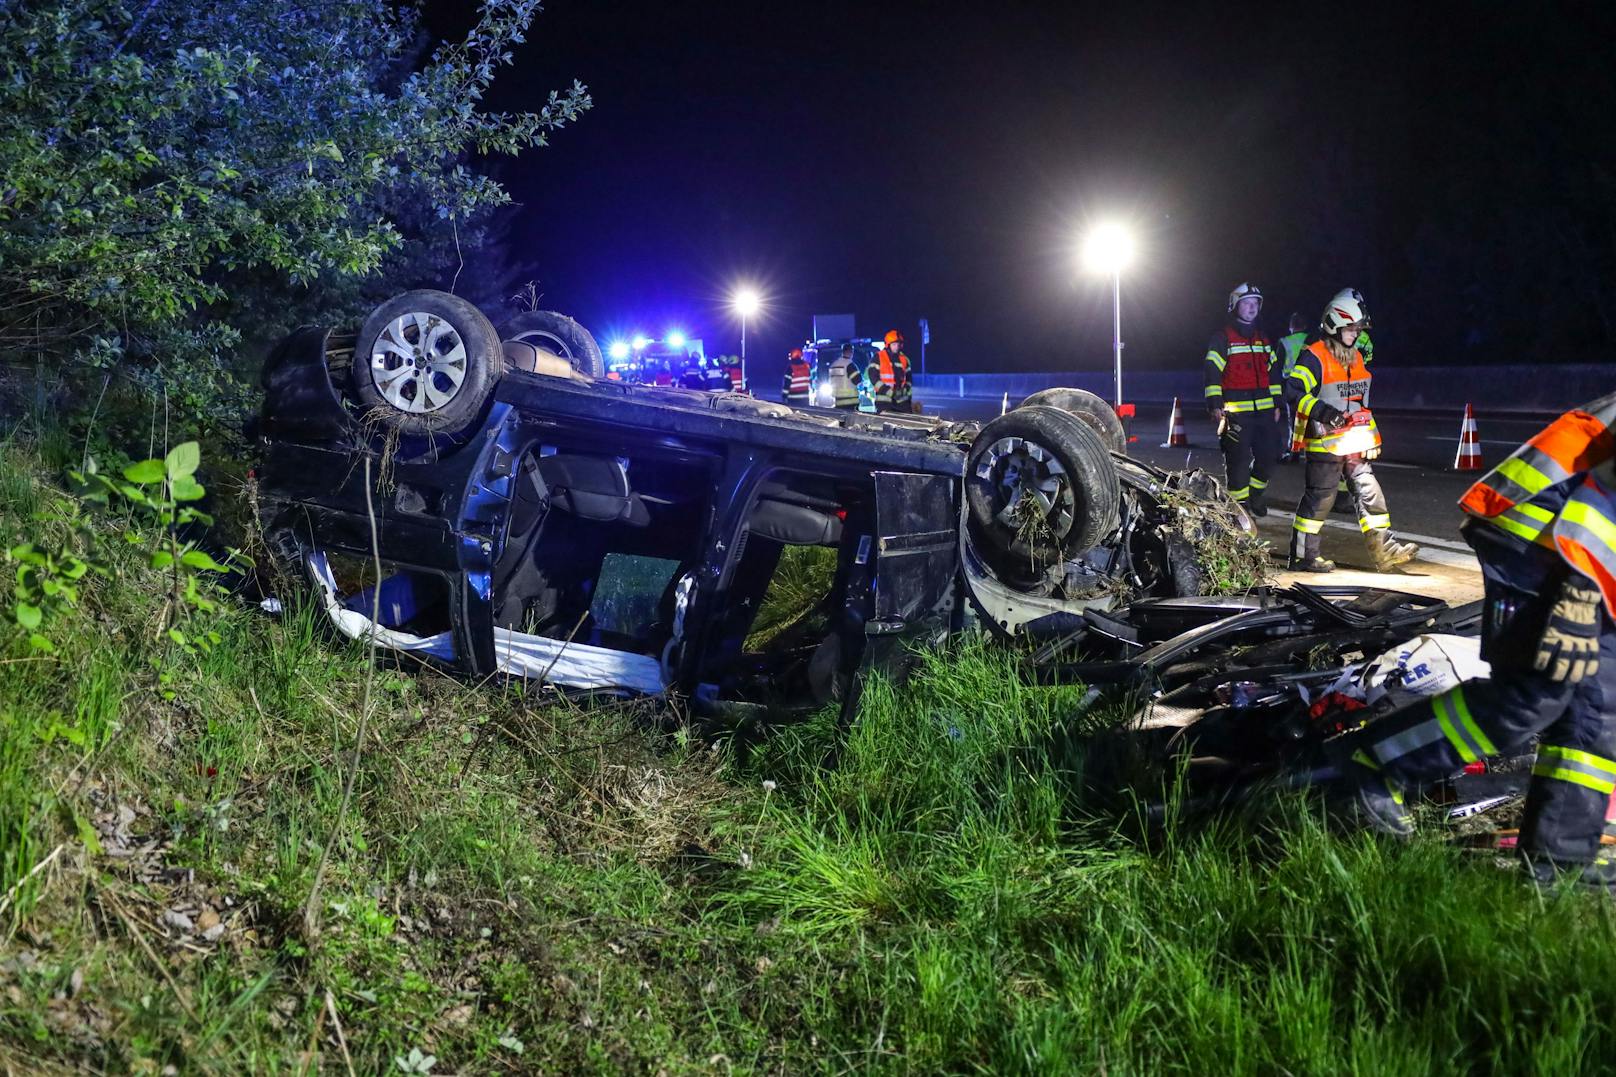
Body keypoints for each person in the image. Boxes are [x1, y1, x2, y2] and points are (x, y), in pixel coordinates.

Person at [1339, 391, 1616, 889]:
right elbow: (1607, 500)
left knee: (1598, 708)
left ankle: (1559, 868)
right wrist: (1578, 596)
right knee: (1531, 696)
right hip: (1544, 529)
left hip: (1579, 545)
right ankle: (1372, 771)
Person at [1283, 289, 1418, 572]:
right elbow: (1293, 391)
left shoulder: (1356, 358)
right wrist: (1325, 413)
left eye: (1358, 329)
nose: (1356, 333)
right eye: (1352, 328)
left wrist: (1373, 438)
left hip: (1353, 443)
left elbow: (1361, 404)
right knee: (1321, 499)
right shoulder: (1314, 357)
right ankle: (1303, 557)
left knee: (1370, 493)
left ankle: (1386, 552)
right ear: (1334, 325)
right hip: (1324, 443)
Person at [1203, 282, 1284, 515]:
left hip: (1265, 413)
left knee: (1269, 458)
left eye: (1255, 303)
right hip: (1236, 414)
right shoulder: (1222, 338)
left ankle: (1255, 495)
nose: (1252, 308)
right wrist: (1215, 405)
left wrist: (1277, 403)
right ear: (1235, 306)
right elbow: (1212, 372)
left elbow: (1274, 372)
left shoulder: (1263, 339)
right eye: (1247, 303)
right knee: (1237, 463)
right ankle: (1240, 510)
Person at [824, 343, 863, 411]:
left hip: (838, 401)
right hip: (850, 401)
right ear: (851, 352)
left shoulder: (833, 365)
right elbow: (857, 380)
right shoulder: (850, 365)